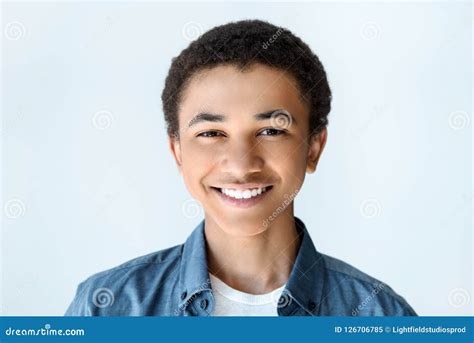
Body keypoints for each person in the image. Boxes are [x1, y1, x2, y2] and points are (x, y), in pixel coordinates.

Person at [65, 19, 416, 316]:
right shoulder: (107, 309)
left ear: (313, 147)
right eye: (211, 133)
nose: (241, 164)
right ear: (177, 152)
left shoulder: (380, 314)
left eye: (270, 130)